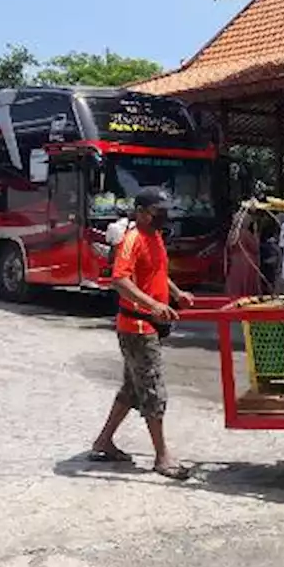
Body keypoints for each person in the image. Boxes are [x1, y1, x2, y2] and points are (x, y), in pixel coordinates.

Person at [90, 186, 195, 480]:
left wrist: (176, 294)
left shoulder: (156, 237)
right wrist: (152, 305)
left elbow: (159, 272)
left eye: (164, 212)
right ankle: (162, 457)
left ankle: (103, 442)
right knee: (152, 390)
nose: (162, 217)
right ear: (140, 212)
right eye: (156, 212)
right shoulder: (132, 240)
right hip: (137, 327)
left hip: (149, 323)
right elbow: (119, 280)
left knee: (132, 389)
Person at [224, 213, 263, 298]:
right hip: (246, 261)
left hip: (235, 261)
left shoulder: (232, 234)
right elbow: (255, 247)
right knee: (246, 282)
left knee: (236, 282)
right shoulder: (246, 233)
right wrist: (256, 234)